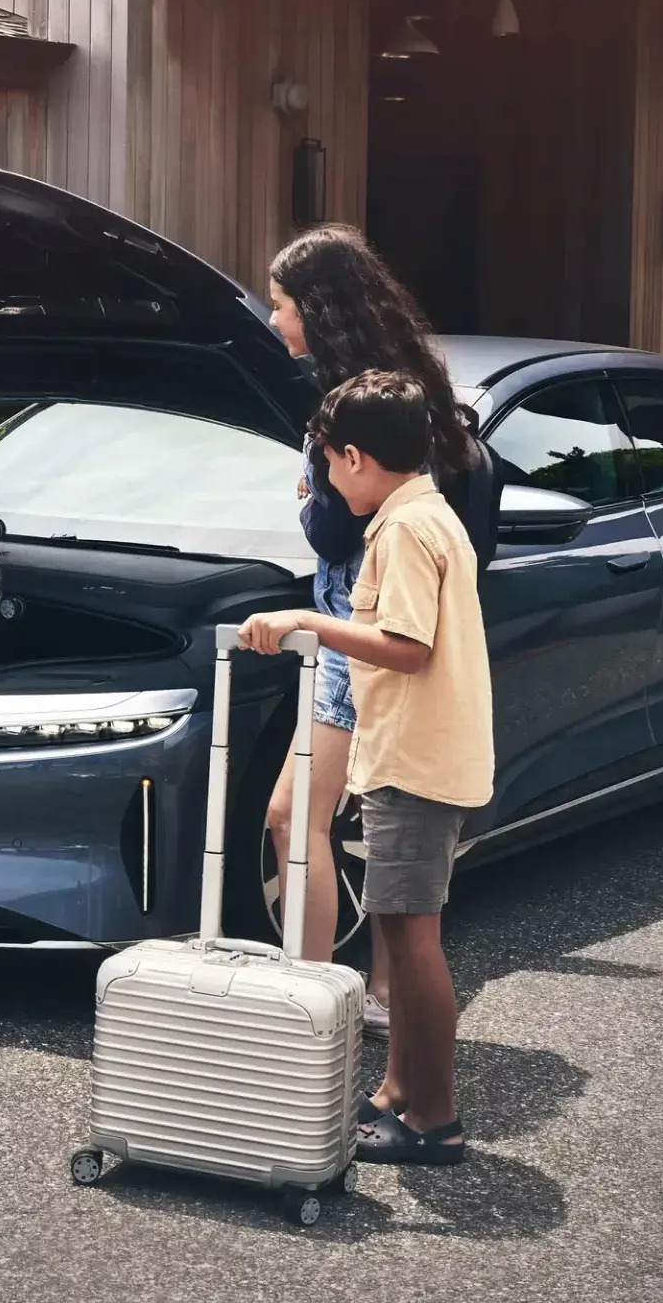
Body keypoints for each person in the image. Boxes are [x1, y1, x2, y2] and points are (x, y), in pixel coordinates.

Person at [239, 370, 493, 1168]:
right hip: (415, 753)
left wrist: (308, 619)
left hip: (418, 762)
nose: (321, 485)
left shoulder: (401, 531)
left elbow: (408, 649)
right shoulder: (424, 513)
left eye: (324, 466)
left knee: (414, 942)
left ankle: (437, 1119)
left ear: (352, 457)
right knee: (398, 927)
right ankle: (399, 1095)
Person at [260, 226, 494, 1024]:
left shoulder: (358, 408)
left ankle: (312, 1006)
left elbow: (331, 533)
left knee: (301, 818)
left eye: (281, 303)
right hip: (370, 633)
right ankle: (382, 1001)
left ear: (318, 309)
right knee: (373, 825)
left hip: (359, 637)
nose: (272, 319)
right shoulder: (408, 390)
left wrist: (302, 495)